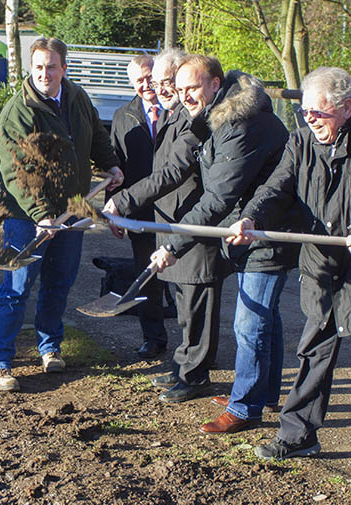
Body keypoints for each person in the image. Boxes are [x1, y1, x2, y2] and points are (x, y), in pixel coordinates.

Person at [229, 67, 351, 472]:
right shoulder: (301, 141)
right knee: (314, 350)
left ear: (346, 108)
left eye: (318, 113)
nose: (310, 120)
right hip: (321, 265)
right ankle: (297, 434)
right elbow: (275, 188)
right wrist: (250, 217)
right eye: (305, 113)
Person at [148, 54, 297, 415]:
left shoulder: (239, 124)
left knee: (249, 321)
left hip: (265, 232)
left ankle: (244, 407)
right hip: (248, 231)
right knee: (266, 319)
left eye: (193, 87)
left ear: (215, 84)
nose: (185, 96)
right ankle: (264, 394)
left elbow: (218, 197)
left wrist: (172, 243)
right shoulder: (218, 119)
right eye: (180, 89)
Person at [0, 37, 124, 391]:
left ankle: (49, 348)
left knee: (59, 283)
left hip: (73, 207)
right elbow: (16, 172)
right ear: (30, 69)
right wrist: (41, 214)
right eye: (38, 67)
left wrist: (109, 165)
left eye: (51, 67)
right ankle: (0, 362)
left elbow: (96, 133)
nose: (44, 74)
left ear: (64, 68)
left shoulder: (76, 97)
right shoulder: (18, 113)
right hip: (26, 215)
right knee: (17, 288)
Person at [104, 49, 228, 397]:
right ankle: (184, 366)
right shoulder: (174, 115)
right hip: (171, 221)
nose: (160, 89)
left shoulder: (192, 120)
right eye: (156, 83)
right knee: (185, 304)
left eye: (166, 82)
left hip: (193, 222)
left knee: (197, 303)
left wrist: (125, 200)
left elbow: (173, 171)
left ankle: (195, 375)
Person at [108, 54, 170, 360]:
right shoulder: (123, 116)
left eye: (149, 77)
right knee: (147, 276)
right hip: (140, 210)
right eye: (139, 81)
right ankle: (153, 337)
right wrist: (116, 212)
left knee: (183, 277)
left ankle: (194, 344)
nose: (146, 85)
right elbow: (116, 168)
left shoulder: (177, 110)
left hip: (177, 209)